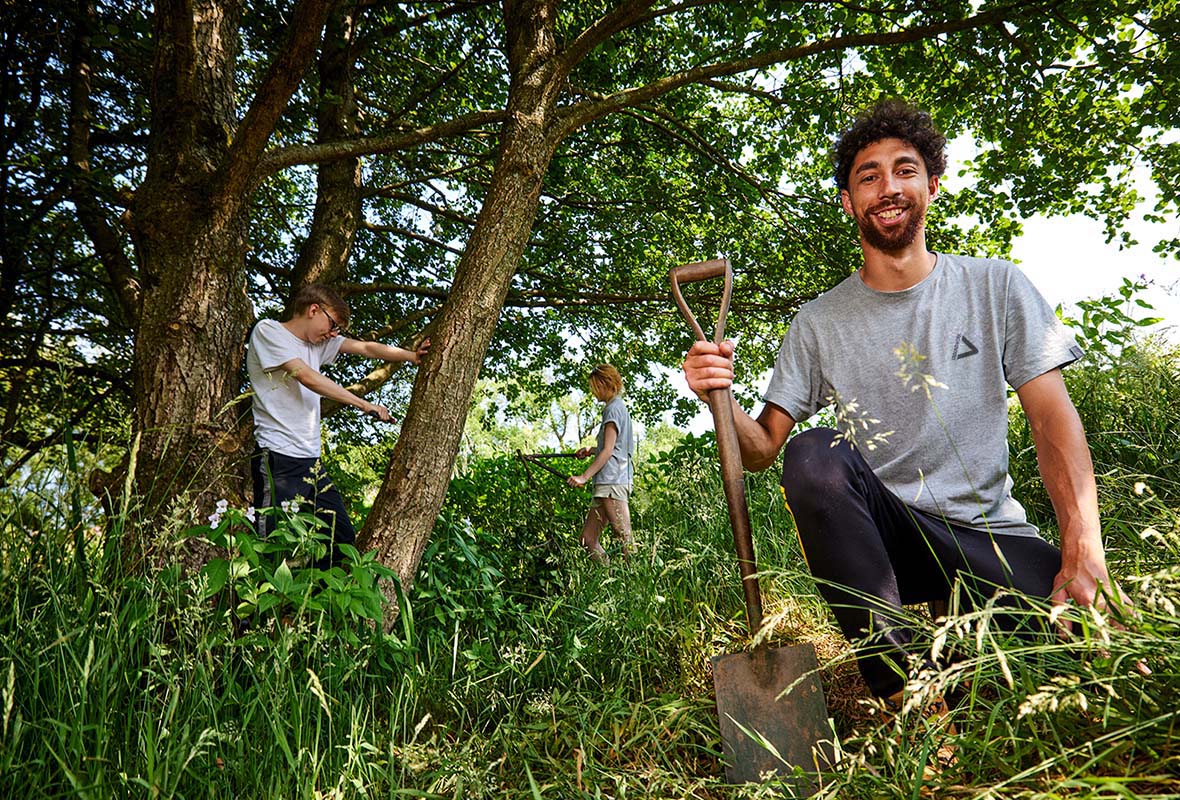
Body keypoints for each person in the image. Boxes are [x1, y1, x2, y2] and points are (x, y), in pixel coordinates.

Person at [681, 99, 1119, 705]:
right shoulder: (818, 322)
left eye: (904, 169)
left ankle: (967, 661)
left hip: (984, 534)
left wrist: (1083, 548)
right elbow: (762, 451)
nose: (888, 186)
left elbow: (1052, 422)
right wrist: (717, 396)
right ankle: (899, 686)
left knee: (1085, 654)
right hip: (884, 545)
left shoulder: (996, 286)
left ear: (932, 186)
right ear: (848, 201)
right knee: (815, 451)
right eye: (869, 175)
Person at [246, 283, 429, 569]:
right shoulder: (269, 331)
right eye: (332, 325)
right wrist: (363, 404)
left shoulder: (316, 345)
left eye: (337, 331)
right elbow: (307, 377)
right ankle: (258, 613)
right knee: (273, 549)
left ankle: (305, 608)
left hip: (311, 462)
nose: (332, 335)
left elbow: (367, 347)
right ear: (313, 309)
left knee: (341, 541)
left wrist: (411, 356)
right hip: (278, 459)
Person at [568, 364, 636, 564]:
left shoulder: (613, 409)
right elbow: (614, 447)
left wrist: (583, 476)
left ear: (607, 384)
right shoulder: (616, 407)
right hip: (606, 483)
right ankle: (608, 579)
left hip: (612, 482)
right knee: (587, 539)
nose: (593, 391)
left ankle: (635, 585)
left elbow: (608, 451)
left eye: (596, 386)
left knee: (624, 535)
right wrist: (590, 450)